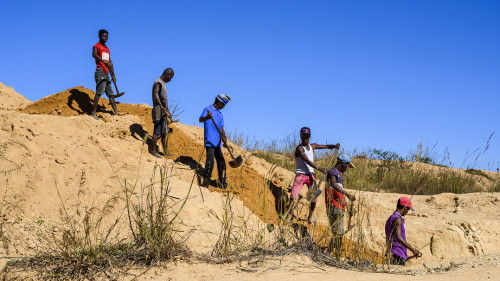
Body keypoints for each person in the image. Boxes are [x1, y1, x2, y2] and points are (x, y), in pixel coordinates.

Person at [285, 127, 340, 222]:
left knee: (314, 199)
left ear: (309, 136)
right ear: (300, 136)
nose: (304, 138)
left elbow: (326, 146)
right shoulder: (299, 148)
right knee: (294, 196)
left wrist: (334, 146)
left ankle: (309, 217)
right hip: (300, 176)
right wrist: (320, 168)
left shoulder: (313, 146)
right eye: (303, 136)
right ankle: (288, 215)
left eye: (306, 136)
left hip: (311, 175)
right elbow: (307, 161)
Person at [325, 154, 356, 258]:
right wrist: (348, 194)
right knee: (338, 234)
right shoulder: (333, 172)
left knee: (338, 234)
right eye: (347, 166)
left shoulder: (338, 174)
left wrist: (347, 207)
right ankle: (329, 254)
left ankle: (335, 255)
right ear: (342, 163)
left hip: (339, 207)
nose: (347, 169)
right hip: (334, 207)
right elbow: (333, 184)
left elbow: (339, 195)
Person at [199, 94, 231, 189]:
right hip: (210, 141)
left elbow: (221, 129)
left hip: (218, 143)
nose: (224, 107)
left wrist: (224, 138)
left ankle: (222, 184)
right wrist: (208, 117)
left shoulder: (220, 115)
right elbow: (200, 119)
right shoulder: (208, 110)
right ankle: (205, 184)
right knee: (210, 163)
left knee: (222, 163)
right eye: (223, 105)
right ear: (219, 102)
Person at [385, 197, 422, 266]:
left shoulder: (391, 218)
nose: (407, 212)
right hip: (397, 253)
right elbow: (398, 237)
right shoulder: (398, 219)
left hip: (392, 253)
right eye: (408, 210)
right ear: (405, 208)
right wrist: (413, 250)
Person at [91, 29, 119, 120]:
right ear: (99, 36)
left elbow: (110, 63)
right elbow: (94, 55)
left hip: (107, 73)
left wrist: (113, 75)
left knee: (111, 94)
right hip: (100, 72)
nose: (105, 38)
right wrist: (102, 61)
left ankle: (116, 112)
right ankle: (93, 113)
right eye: (104, 36)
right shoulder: (96, 46)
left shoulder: (107, 49)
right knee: (99, 92)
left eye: (107, 36)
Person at [149, 68, 174, 158]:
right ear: (167, 75)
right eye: (170, 78)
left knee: (164, 132)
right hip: (158, 110)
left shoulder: (162, 84)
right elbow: (156, 94)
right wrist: (162, 107)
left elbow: (163, 100)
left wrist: (168, 111)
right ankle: (153, 151)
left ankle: (166, 151)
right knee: (157, 131)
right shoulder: (158, 82)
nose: (170, 80)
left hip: (163, 111)